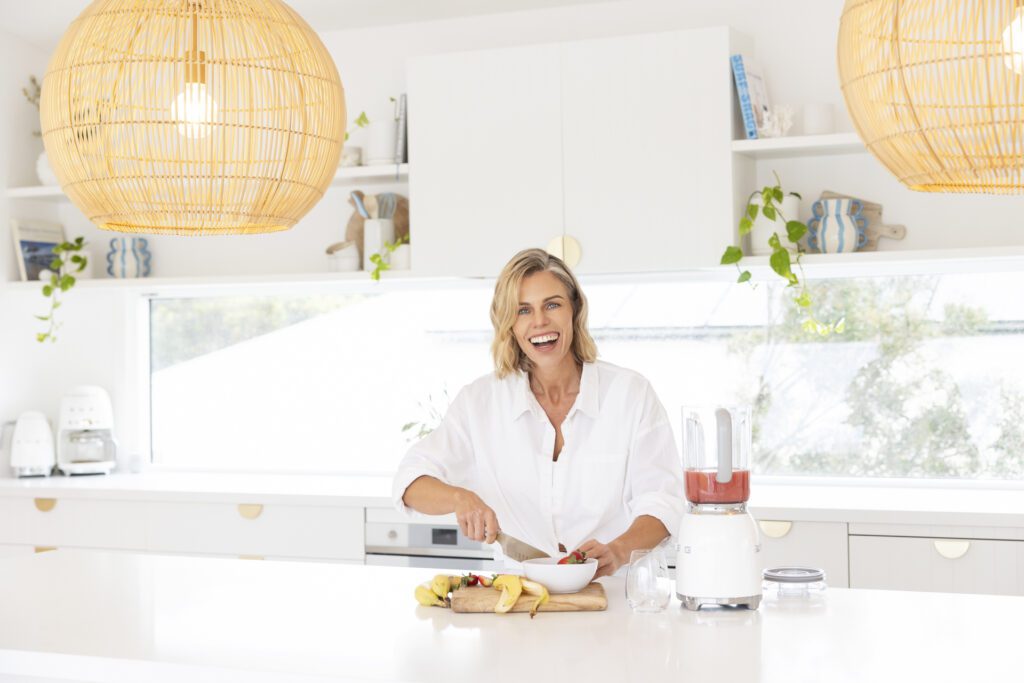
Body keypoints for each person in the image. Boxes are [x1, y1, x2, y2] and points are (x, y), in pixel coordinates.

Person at [392, 249, 684, 577]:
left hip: (615, 598)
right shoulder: (480, 402)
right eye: (523, 310)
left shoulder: (630, 393)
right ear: (509, 325)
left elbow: (664, 501)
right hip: (518, 601)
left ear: (574, 310)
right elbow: (410, 481)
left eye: (553, 304)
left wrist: (618, 549)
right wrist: (461, 499)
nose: (540, 321)